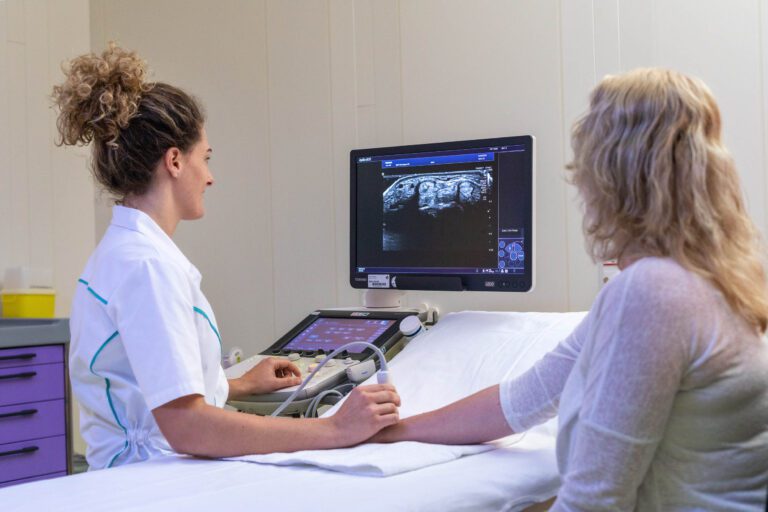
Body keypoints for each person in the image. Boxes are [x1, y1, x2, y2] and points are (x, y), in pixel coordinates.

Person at [372, 68, 768, 510]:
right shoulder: (715, 279)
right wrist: (389, 432)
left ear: (612, 176)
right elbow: (524, 400)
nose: (579, 180)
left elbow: (594, 499)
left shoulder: (654, 291)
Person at [54, 44, 400, 470]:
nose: (211, 176)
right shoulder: (147, 266)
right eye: (206, 157)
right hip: (151, 480)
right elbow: (186, 427)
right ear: (175, 161)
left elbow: (145, 384)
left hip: (148, 468)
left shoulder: (126, 253)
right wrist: (334, 430)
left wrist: (234, 385)